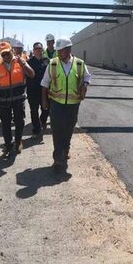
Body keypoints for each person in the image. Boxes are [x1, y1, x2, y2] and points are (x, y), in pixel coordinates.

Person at [41, 38, 91, 172]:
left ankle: (66, 149)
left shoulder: (80, 64)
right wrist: (44, 101)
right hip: (56, 104)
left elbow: (87, 77)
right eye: (57, 51)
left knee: (69, 129)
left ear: (68, 49)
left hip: (73, 104)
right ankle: (58, 158)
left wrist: (85, 85)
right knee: (57, 129)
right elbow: (44, 84)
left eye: (61, 50)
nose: (58, 53)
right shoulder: (52, 64)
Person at [0, 42, 34, 157]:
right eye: (3, 54)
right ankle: (8, 145)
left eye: (7, 53)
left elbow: (32, 74)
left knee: (20, 122)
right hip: (3, 101)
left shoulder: (21, 62)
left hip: (18, 99)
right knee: (6, 124)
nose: (5, 56)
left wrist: (24, 64)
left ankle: (18, 141)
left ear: (12, 51)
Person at [27, 42, 49, 136]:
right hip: (33, 91)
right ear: (33, 50)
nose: (38, 50)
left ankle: (42, 120)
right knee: (34, 111)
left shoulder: (47, 61)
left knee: (46, 109)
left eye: (40, 48)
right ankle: (36, 129)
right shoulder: (29, 62)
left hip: (45, 90)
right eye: (36, 48)